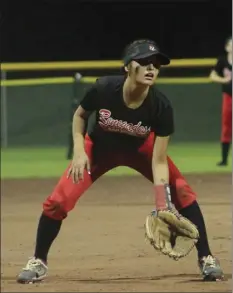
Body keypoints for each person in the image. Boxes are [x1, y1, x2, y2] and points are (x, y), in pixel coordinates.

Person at [17, 39, 224, 284]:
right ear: (127, 66)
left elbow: (158, 159)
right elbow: (80, 115)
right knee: (58, 201)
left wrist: (162, 203)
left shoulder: (161, 106)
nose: (151, 68)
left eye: (156, 64)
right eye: (144, 62)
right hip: (99, 150)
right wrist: (79, 150)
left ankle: (206, 258)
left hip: (141, 150)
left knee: (181, 190)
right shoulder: (104, 88)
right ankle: (38, 260)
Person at [210, 36, 232, 166]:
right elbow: (212, 75)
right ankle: (224, 160)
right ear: (227, 47)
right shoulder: (222, 60)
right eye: (231, 44)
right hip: (228, 96)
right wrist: (224, 80)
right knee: (226, 127)